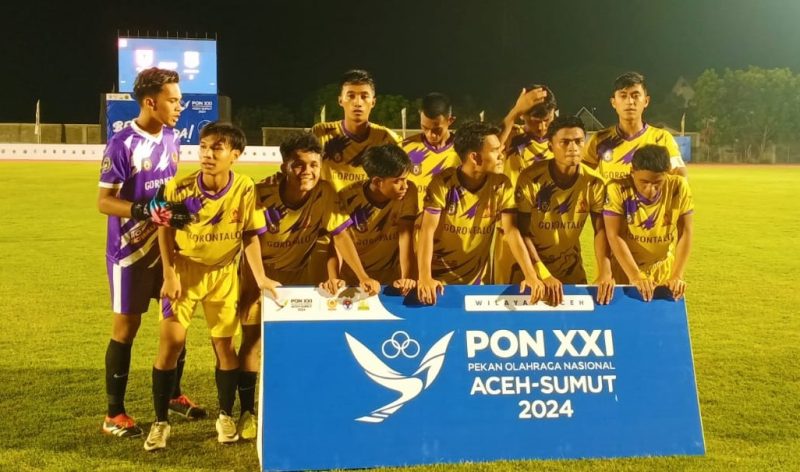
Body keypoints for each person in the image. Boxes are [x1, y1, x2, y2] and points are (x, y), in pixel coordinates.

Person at [144, 122, 280, 451]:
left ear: (235, 154)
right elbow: (163, 230)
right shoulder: (178, 187)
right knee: (171, 344)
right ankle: (161, 422)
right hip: (185, 272)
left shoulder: (245, 187)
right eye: (204, 147)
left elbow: (249, 234)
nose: (208, 154)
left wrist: (260, 277)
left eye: (217, 148)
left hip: (223, 276)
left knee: (225, 347)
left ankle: (225, 415)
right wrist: (170, 274)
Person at [237, 132, 381, 439]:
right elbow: (248, 238)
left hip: (298, 272)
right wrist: (260, 279)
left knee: (295, 340)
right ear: (284, 165)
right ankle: (246, 412)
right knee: (252, 340)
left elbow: (340, 234)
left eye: (314, 164)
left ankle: (290, 405)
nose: (307, 172)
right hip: (258, 271)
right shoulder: (261, 192)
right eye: (299, 165)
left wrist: (363, 274)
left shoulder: (326, 192)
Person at [97, 67, 204, 439]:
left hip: (165, 245)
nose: (180, 106)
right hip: (129, 250)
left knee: (177, 318)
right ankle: (115, 414)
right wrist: (143, 210)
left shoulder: (173, 137)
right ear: (150, 102)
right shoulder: (122, 143)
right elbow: (104, 202)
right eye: (173, 100)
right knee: (127, 328)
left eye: (179, 99)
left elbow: (167, 191)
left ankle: (174, 394)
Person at [416, 121, 544, 305]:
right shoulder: (442, 183)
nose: (502, 155)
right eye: (495, 151)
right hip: (439, 284)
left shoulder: (501, 185)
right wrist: (425, 277)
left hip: (479, 284)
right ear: (475, 158)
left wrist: (531, 275)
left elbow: (511, 231)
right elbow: (426, 231)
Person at [513, 116, 615, 306]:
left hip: (571, 269)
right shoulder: (531, 178)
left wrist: (604, 272)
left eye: (578, 141)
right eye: (565, 142)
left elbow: (601, 230)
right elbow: (521, 232)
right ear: (551, 146)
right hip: (533, 269)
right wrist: (541, 274)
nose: (573, 147)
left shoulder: (594, 182)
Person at [603, 144, 694, 302]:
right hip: (626, 269)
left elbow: (685, 231)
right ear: (632, 172)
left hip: (663, 269)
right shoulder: (617, 188)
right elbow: (614, 234)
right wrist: (635, 276)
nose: (650, 189)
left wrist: (677, 275)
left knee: (660, 323)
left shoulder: (678, 186)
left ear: (668, 173)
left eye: (657, 183)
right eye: (644, 182)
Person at [338, 144, 418, 293]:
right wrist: (361, 277)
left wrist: (407, 278)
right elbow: (338, 241)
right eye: (398, 181)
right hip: (354, 280)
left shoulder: (409, 192)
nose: (405, 186)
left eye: (406, 179)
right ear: (376, 182)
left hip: (390, 279)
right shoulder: (346, 197)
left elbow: (405, 235)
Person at [583, 71, 688, 181]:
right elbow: (580, 175)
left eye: (635, 96)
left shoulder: (662, 139)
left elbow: (680, 176)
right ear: (613, 102)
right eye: (623, 96)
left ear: (646, 101)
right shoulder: (599, 139)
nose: (630, 101)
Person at [311, 69, 401, 192]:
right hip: (330, 209)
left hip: (368, 210)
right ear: (340, 100)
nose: (358, 103)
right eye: (351, 96)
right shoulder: (321, 133)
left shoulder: (388, 139)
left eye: (364, 96)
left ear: (373, 102)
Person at [400, 92, 460, 211]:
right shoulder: (405, 147)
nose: (430, 135)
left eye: (437, 129)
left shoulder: (462, 150)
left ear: (450, 120)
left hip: (446, 226)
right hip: (413, 225)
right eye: (425, 127)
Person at [499, 84, 558, 185]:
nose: (542, 127)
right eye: (536, 121)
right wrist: (515, 111)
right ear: (522, 115)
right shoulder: (512, 135)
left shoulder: (559, 141)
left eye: (547, 120)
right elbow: (492, 145)